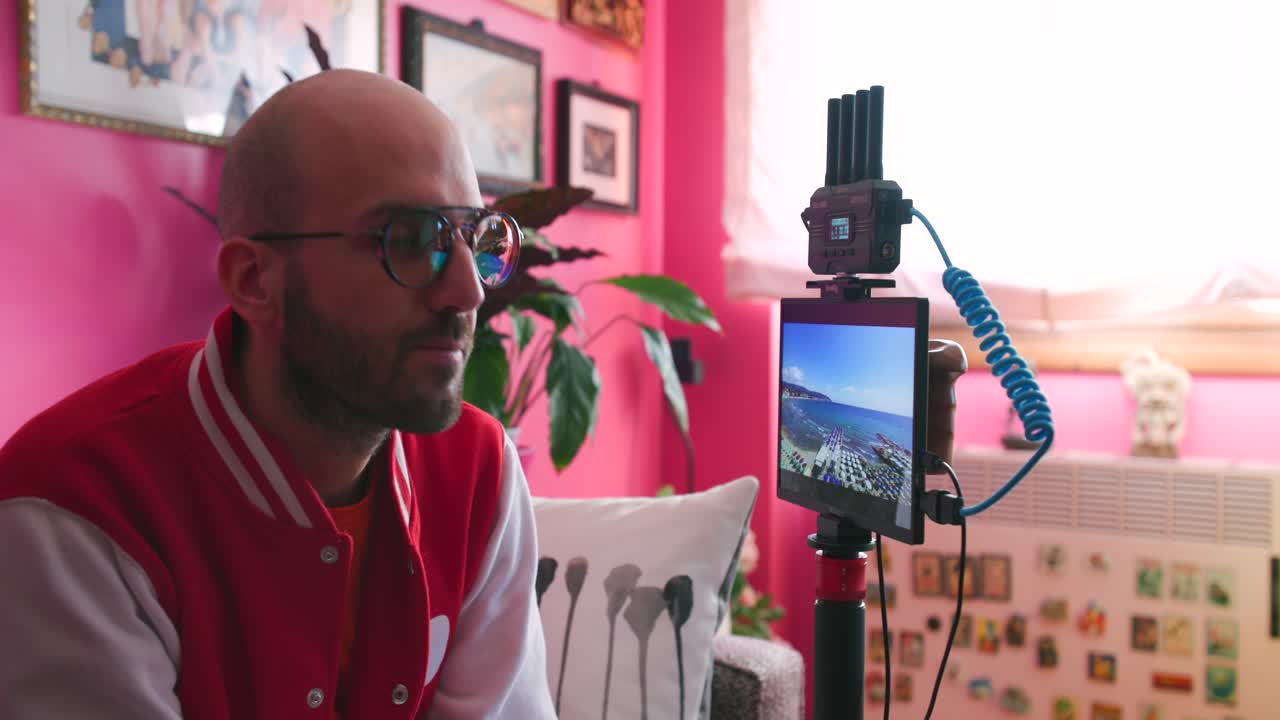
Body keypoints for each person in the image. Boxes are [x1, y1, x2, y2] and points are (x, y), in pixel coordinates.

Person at [0, 69, 555, 719]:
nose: (469, 291)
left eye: (478, 239)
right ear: (254, 280)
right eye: (410, 239)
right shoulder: (76, 506)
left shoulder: (478, 469)